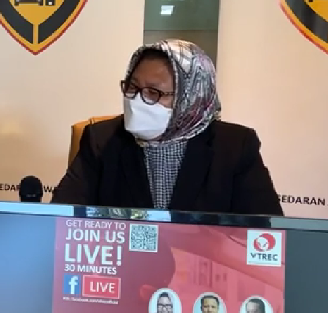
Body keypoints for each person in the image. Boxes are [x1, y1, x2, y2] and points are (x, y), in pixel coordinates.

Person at [51, 39, 283, 216]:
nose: (137, 100)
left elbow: (264, 230)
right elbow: (63, 217)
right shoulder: (101, 139)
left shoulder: (236, 146)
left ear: (190, 97)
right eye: (132, 87)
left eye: (154, 92)